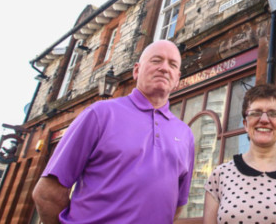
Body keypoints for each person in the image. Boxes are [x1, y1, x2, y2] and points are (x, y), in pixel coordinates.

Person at [32, 40, 195, 224]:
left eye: (172, 64)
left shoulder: (185, 134)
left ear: (177, 78)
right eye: (156, 60)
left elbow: (177, 206)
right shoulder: (100, 114)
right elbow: (47, 194)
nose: (165, 68)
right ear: (136, 70)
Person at [203, 84, 276, 224]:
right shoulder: (220, 175)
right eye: (256, 113)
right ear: (246, 124)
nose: (264, 120)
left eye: (274, 113)